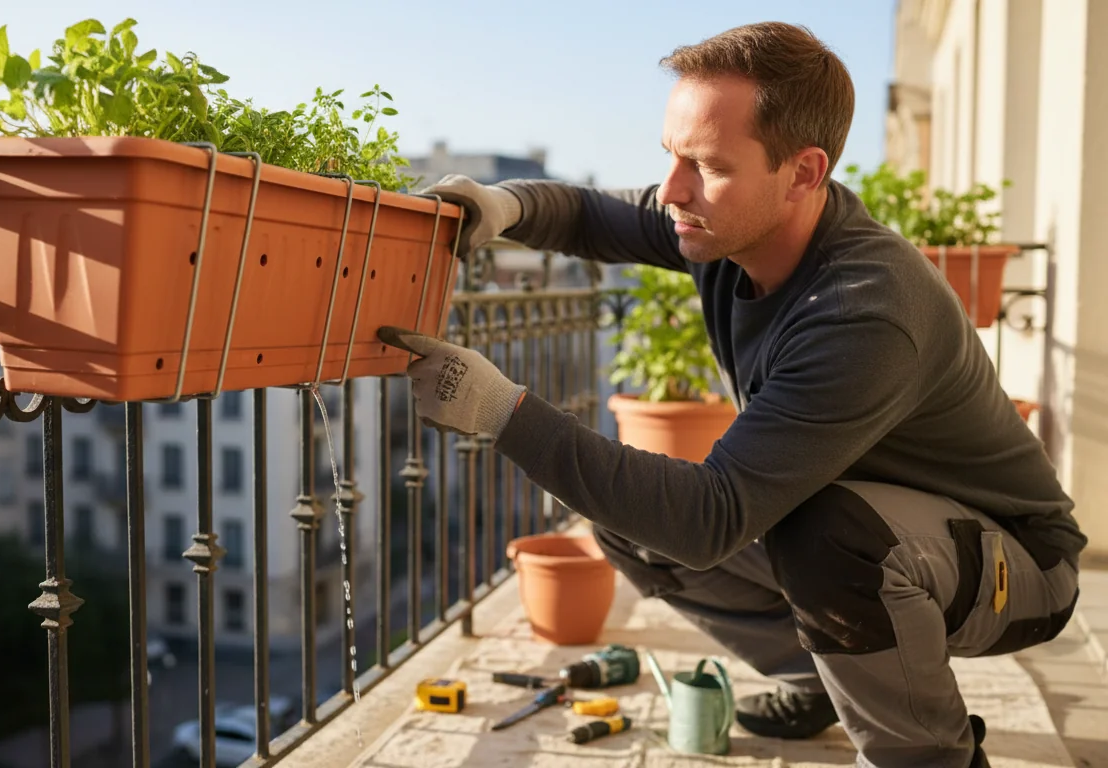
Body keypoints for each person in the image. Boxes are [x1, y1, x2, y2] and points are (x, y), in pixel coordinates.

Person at [377, 20, 1085, 768]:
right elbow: (590, 213)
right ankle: (818, 677)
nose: (673, 190)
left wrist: (496, 408)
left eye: (706, 165)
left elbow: (710, 519)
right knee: (626, 515)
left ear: (804, 172)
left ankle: (933, 757)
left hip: (1018, 565)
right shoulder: (724, 223)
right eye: (671, 157)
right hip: (884, 519)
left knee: (830, 542)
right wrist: (501, 205)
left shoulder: (863, 308)